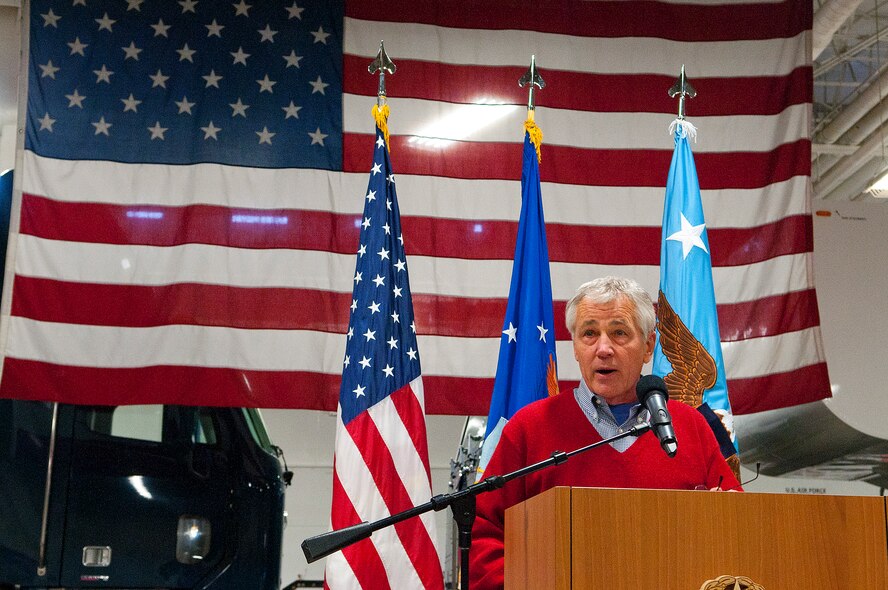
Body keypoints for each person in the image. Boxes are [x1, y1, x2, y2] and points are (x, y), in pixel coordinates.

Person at [469, 276, 740, 590]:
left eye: (619, 333)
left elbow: (737, 528)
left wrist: (723, 519)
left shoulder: (691, 426)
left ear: (649, 345)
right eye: (589, 333)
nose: (603, 349)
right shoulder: (529, 428)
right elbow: (483, 535)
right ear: (575, 346)